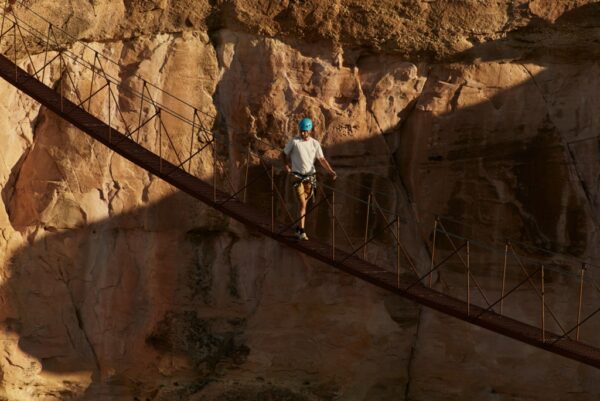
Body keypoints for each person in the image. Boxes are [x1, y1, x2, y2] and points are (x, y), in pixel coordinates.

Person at [282, 117, 336, 240]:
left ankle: (297, 228)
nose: (303, 133)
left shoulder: (315, 143)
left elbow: (322, 159)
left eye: (305, 131)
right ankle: (301, 231)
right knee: (302, 204)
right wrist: (286, 167)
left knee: (304, 206)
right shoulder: (294, 142)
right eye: (301, 131)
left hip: (310, 177)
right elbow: (283, 154)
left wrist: (331, 171)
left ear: (310, 131)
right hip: (297, 177)